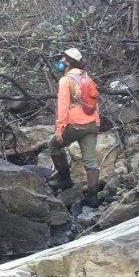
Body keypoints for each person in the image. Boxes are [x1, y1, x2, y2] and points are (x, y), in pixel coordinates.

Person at [47, 47, 100, 207]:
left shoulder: (66, 80)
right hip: (92, 124)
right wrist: (96, 122)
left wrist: (60, 128)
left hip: (75, 123)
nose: (60, 62)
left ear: (68, 61)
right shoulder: (87, 77)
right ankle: (92, 197)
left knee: (53, 146)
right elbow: (94, 102)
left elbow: (62, 107)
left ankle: (64, 179)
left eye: (62, 59)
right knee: (91, 161)